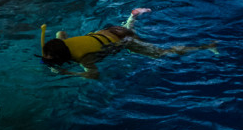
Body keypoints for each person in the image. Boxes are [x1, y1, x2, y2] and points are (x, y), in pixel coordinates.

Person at [39, 8, 218, 79]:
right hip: (111, 30)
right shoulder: (62, 42)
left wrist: (66, 72)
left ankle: (206, 47)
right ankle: (132, 16)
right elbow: (60, 32)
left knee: (161, 53)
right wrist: (50, 52)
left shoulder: (84, 59)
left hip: (124, 40)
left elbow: (94, 75)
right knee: (125, 31)